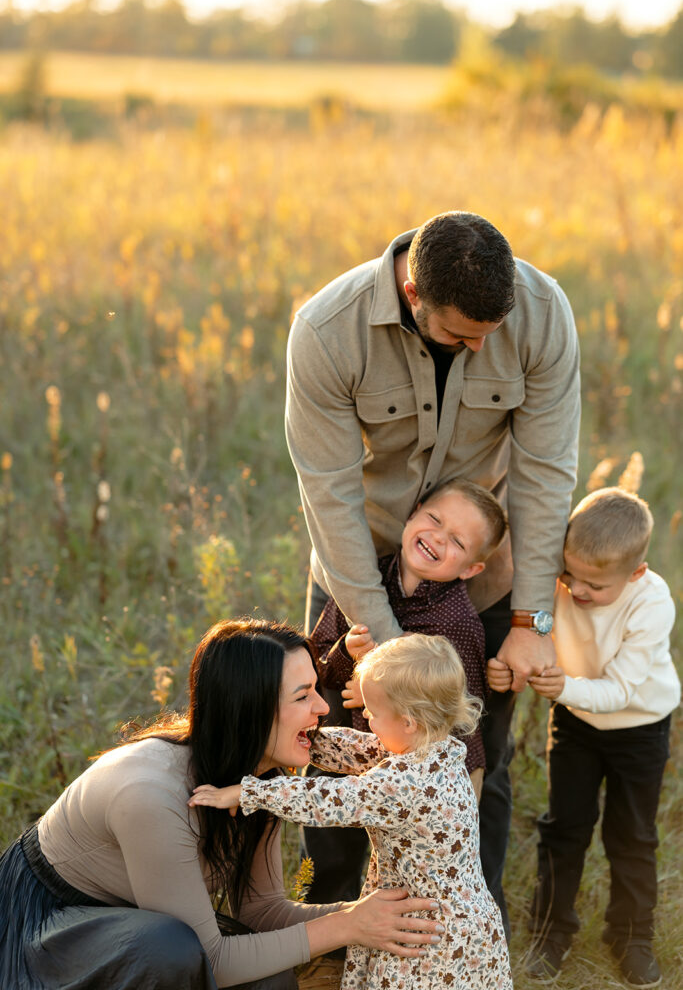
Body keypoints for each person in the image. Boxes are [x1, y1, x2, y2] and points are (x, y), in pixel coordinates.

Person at [285, 209, 581, 925]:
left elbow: (545, 473)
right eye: (461, 336)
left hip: (483, 579)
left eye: (490, 335)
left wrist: (530, 620)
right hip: (361, 574)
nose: (479, 347)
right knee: (334, 745)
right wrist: (382, 645)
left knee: (475, 755)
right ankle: (330, 926)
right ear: (413, 294)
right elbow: (328, 493)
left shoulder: (543, 314)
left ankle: (471, 927)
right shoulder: (326, 331)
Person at [0, 619, 444, 990]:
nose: (322, 708)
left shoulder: (261, 778)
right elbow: (208, 957)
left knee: (271, 977)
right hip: (48, 930)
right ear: (249, 709)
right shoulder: (149, 795)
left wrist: (371, 914)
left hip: (139, 927)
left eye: (316, 689)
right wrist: (348, 925)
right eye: (302, 695)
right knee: (170, 948)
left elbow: (263, 912)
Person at [189, 633, 513, 990]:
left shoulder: (405, 784)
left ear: (408, 722)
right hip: (466, 922)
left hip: (427, 938)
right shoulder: (437, 751)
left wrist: (250, 791)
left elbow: (328, 798)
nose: (368, 720)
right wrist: (302, 739)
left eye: (373, 714)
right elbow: (359, 748)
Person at [488, 488, 680, 987]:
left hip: (639, 728)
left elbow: (620, 690)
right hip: (575, 723)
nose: (577, 590)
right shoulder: (562, 580)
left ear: (636, 573)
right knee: (564, 827)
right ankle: (551, 933)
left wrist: (564, 688)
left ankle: (631, 937)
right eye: (569, 575)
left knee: (631, 835)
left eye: (594, 584)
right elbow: (533, 632)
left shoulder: (652, 603)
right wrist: (509, 667)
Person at [309, 477, 508, 801]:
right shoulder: (362, 581)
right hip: (352, 759)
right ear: (413, 513)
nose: (438, 538)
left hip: (419, 785)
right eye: (435, 519)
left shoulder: (458, 624)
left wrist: (379, 693)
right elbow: (317, 668)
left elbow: (459, 714)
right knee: (330, 815)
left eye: (457, 542)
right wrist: (345, 651)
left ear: (471, 569)